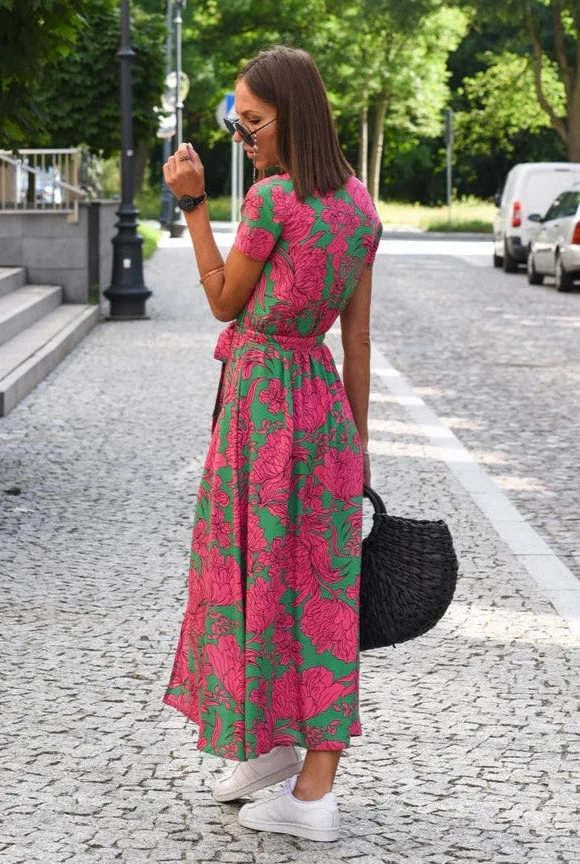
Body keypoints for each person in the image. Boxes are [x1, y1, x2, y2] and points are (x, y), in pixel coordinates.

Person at [162, 45, 381, 843]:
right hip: (321, 412)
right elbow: (356, 345)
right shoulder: (359, 205)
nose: (238, 135)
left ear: (293, 116)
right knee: (312, 591)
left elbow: (224, 301)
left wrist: (190, 206)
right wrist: (355, 453)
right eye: (235, 122)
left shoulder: (271, 200)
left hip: (262, 409)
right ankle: (276, 751)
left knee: (257, 578)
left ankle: (315, 793)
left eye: (250, 122)